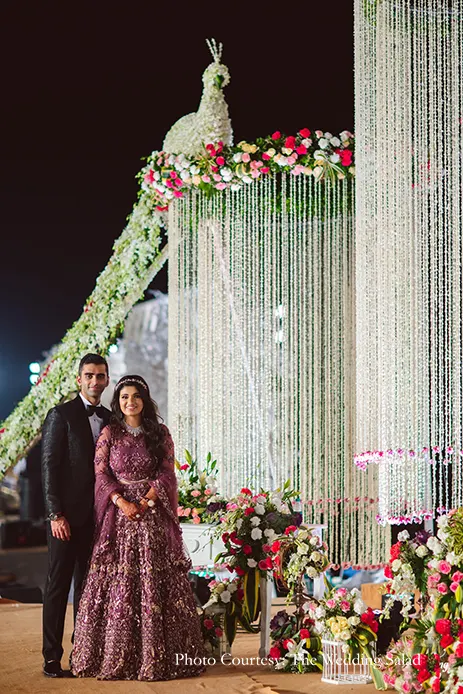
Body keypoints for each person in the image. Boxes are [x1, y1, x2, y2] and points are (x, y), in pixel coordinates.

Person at [71, 375, 205, 681]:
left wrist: (145, 503)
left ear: (144, 399)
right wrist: (122, 502)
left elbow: (166, 473)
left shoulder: (160, 433)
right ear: (118, 403)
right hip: (118, 520)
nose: (129, 402)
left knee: (153, 582)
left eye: (135, 396)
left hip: (151, 516)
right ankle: (117, 657)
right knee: (118, 583)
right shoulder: (110, 434)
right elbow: (101, 474)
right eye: (123, 397)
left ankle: (157, 658)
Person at [41, 354, 111, 678]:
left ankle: (82, 654)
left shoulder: (111, 418)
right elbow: (49, 468)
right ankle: (52, 658)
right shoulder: (61, 415)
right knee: (57, 587)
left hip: (98, 519)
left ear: (107, 379)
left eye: (100, 375)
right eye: (89, 375)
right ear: (79, 380)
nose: (95, 381)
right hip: (65, 519)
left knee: (87, 589)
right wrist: (55, 513)